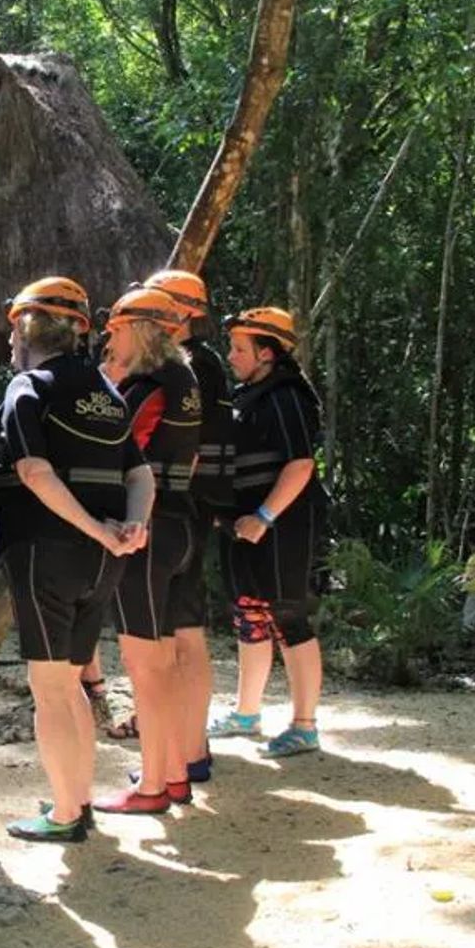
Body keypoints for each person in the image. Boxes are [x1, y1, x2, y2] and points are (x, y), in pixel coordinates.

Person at [0, 277, 147, 842]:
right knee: (73, 684)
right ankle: (76, 801)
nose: (8, 345)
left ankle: (64, 814)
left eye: (13, 330)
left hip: (47, 553)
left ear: (29, 329)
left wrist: (101, 529)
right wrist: (131, 526)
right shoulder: (107, 394)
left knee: (50, 690)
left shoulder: (27, 388)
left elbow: (32, 471)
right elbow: (140, 473)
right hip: (104, 561)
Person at [89, 288, 203, 815]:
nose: (108, 335)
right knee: (164, 661)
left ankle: (153, 784)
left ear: (140, 329)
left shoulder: (148, 386)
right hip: (180, 525)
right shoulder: (186, 380)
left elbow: (114, 445)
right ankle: (174, 773)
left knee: (147, 665)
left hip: (148, 532)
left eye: (115, 327)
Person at [207, 307, 330, 758]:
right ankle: (246, 712)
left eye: (240, 349)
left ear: (266, 354)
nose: (231, 356)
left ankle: (304, 724)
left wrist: (264, 516)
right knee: (249, 615)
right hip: (245, 527)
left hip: (283, 528)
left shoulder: (286, 397)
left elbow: (301, 464)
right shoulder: (250, 395)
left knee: (289, 616)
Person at [146, 270, 233, 786]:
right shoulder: (207, 365)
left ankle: (185, 751)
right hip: (194, 508)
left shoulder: (188, 367)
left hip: (180, 508)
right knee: (185, 632)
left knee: (176, 638)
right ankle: (189, 749)